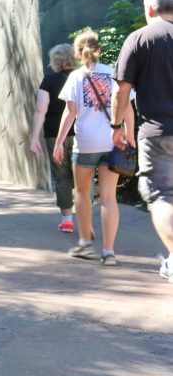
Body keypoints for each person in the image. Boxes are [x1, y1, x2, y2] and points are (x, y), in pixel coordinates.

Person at [53, 30, 134, 265]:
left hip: (86, 142)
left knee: (81, 192)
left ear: (78, 54)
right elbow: (127, 106)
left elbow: (70, 112)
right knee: (109, 196)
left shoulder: (76, 77)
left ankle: (85, 243)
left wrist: (59, 142)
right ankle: (109, 252)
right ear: (99, 49)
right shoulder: (113, 73)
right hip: (112, 141)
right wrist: (129, 135)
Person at [111, 0, 173, 284]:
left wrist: (117, 126)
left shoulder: (139, 39)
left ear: (149, 10)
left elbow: (122, 91)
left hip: (157, 133)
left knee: (160, 195)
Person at [29, 43, 76, 233]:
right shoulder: (81, 78)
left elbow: (41, 110)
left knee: (62, 176)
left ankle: (67, 221)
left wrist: (34, 137)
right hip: (82, 133)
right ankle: (86, 218)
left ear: (55, 61)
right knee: (84, 176)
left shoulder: (49, 81)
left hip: (55, 135)